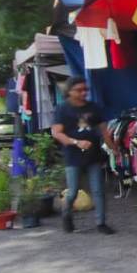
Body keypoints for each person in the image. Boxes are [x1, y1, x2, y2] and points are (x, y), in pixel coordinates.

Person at [51, 77, 118, 235]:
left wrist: (113, 148)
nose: (83, 93)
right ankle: (67, 215)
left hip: (93, 155)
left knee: (98, 190)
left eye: (85, 90)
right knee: (73, 191)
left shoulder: (93, 107)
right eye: (79, 90)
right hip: (73, 156)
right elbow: (57, 133)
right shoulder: (62, 109)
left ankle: (101, 222)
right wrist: (76, 142)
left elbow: (103, 130)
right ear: (70, 91)